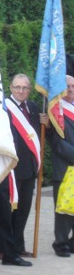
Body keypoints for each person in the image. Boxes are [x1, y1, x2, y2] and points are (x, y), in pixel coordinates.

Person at [3, 74, 44, 257]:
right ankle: (3, 248)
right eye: (17, 87)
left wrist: (46, 125)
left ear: (29, 90)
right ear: (10, 88)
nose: (21, 91)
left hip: (29, 168)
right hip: (10, 167)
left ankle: (18, 245)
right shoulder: (4, 108)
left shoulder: (34, 109)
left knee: (24, 209)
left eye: (24, 88)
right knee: (7, 210)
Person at [50, 75, 74, 257]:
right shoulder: (55, 111)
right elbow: (57, 142)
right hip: (65, 166)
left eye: (73, 86)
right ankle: (61, 243)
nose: (71, 89)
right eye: (67, 86)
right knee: (63, 208)